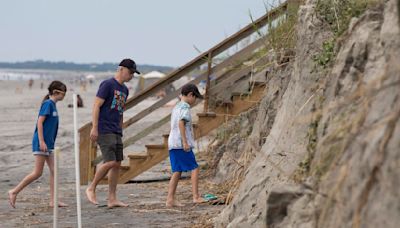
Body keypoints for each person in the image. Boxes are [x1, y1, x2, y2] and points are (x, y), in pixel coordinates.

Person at [86, 58, 140, 208]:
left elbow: (120, 110)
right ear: (121, 69)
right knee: (109, 162)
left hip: (116, 130)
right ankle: (91, 187)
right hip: (104, 128)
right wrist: (94, 127)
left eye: (133, 74)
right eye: (130, 73)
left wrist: (120, 127)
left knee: (116, 164)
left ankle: (112, 198)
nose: (131, 76)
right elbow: (96, 105)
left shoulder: (125, 90)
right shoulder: (107, 84)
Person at [8, 81, 68, 208]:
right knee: (37, 173)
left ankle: (53, 200)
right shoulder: (48, 104)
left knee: (54, 171)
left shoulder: (53, 105)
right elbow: (39, 123)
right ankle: (14, 191)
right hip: (41, 143)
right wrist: (41, 141)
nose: (64, 96)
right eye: (64, 93)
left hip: (49, 144)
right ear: (56, 92)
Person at [166, 84, 206, 207]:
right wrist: (185, 141)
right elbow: (181, 123)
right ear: (190, 95)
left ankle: (170, 199)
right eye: (195, 97)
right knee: (194, 167)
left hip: (173, 143)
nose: (195, 101)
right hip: (180, 143)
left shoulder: (177, 106)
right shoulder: (185, 107)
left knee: (177, 170)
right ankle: (196, 196)